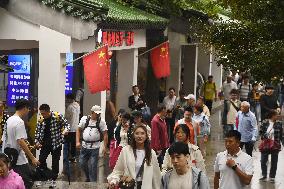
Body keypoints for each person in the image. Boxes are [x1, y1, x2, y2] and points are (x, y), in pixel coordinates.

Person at [2, 99, 40, 189]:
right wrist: (32, 158)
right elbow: (20, 141)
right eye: (28, 108)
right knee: (26, 183)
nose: (28, 111)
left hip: (8, 158)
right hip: (19, 160)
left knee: (12, 182)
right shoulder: (19, 122)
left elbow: (4, 138)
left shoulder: (9, 120)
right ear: (24, 108)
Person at [35, 104, 70, 180]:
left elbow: (67, 125)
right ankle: (48, 174)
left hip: (56, 143)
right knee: (41, 160)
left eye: (43, 113)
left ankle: (54, 179)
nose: (42, 115)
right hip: (45, 144)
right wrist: (37, 142)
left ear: (48, 112)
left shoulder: (57, 116)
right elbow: (37, 132)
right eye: (41, 113)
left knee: (55, 163)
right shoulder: (41, 119)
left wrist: (65, 130)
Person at [76, 105, 108, 182]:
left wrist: (104, 147)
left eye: (99, 113)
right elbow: (78, 130)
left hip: (95, 147)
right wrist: (77, 141)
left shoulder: (101, 121)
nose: (98, 115)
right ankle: (88, 176)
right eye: (96, 113)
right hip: (84, 146)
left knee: (93, 166)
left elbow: (105, 134)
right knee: (81, 163)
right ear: (92, 112)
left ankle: (93, 183)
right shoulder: (84, 119)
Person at [259, 111, 284, 183]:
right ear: (272, 116)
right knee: (263, 161)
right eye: (276, 115)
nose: (278, 116)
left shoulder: (279, 123)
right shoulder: (264, 122)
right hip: (266, 144)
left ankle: (272, 177)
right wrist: (265, 136)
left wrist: (282, 144)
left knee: (274, 162)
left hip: (275, 145)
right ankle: (264, 175)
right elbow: (261, 132)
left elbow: (282, 135)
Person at [64, 93, 80, 162]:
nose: (66, 100)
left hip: (69, 128)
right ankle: (73, 157)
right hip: (76, 128)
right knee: (73, 144)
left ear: (70, 99)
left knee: (67, 143)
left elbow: (66, 117)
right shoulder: (77, 105)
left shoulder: (70, 107)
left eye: (67, 98)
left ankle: (66, 157)